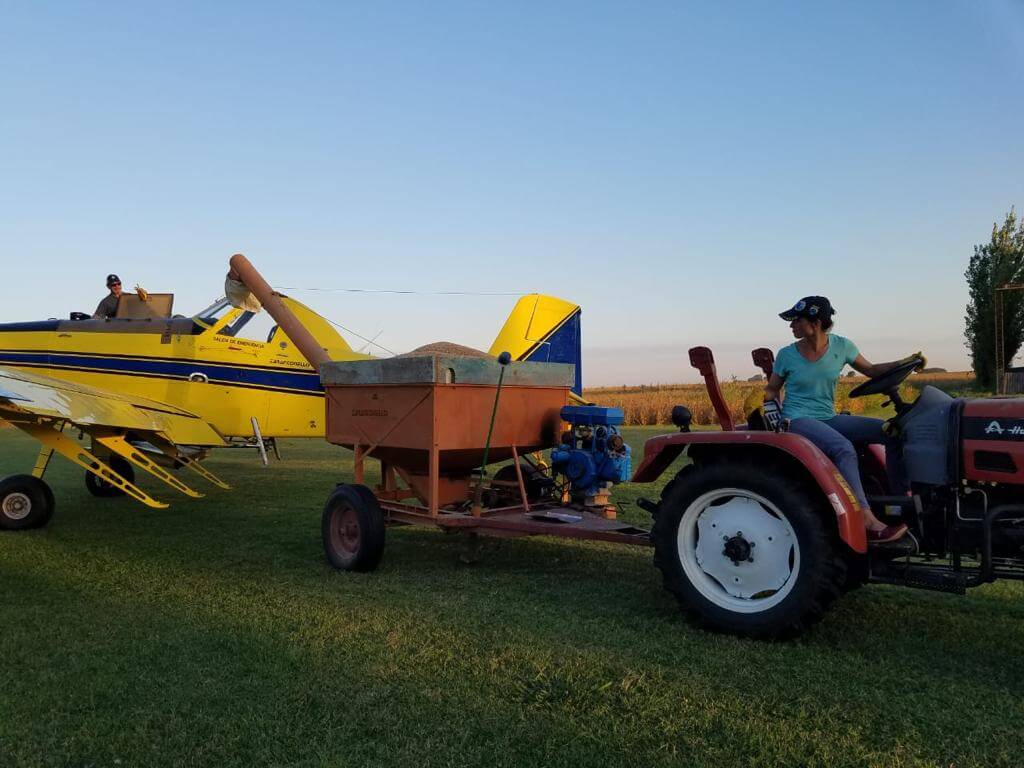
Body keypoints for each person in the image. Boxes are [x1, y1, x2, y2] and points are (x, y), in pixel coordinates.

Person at [763, 296, 923, 544]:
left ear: (815, 323)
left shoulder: (842, 347)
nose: (791, 325)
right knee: (843, 448)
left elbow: (872, 371)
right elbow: (772, 389)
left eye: (796, 320)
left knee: (893, 430)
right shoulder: (786, 355)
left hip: (828, 417)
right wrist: (770, 409)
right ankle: (866, 519)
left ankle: (900, 502)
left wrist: (905, 362)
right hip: (796, 418)